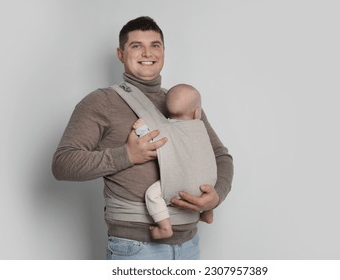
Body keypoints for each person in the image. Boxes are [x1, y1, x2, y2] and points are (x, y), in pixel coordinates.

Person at [52, 16, 233, 260]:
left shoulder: (184, 101)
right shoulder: (101, 102)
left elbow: (220, 155)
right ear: (120, 54)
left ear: (164, 51)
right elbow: (63, 164)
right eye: (136, 45)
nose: (147, 52)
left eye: (155, 45)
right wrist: (126, 156)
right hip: (136, 247)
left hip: (190, 244)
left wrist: (217, 195)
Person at [133, 83, 215, 239]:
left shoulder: (167, 128)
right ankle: (208, 213)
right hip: (207, 183)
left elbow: (155, 142)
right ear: (198, 113)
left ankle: (164, 227)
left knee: (152, 195)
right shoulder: (201, 128)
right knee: (207, 186)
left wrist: (142, 128)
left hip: (179, 183)